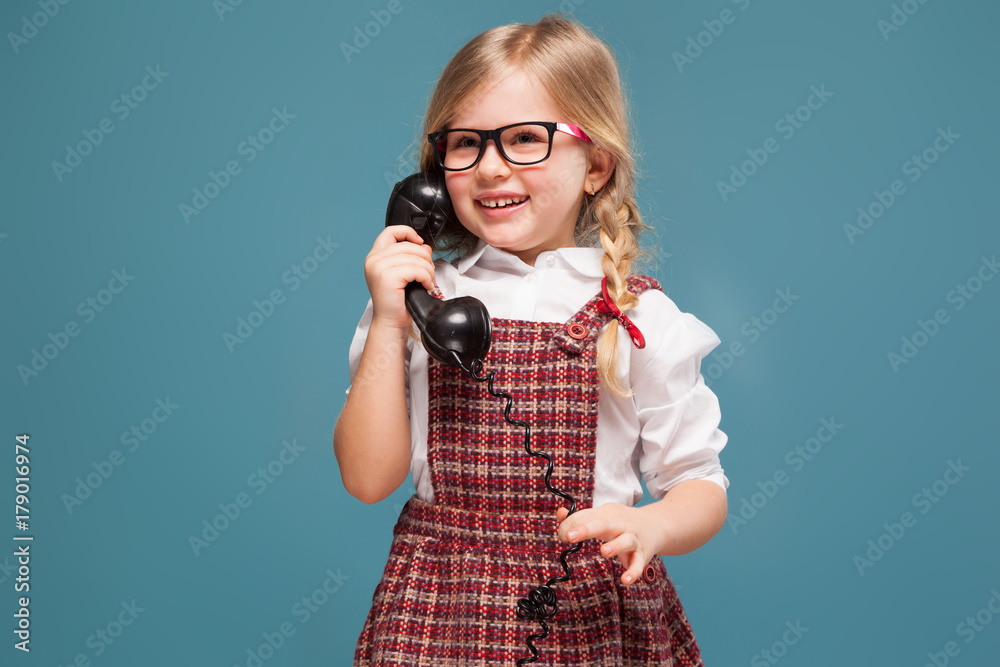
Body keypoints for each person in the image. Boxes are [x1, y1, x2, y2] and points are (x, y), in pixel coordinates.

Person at [334, 13, 729, 666]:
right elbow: (367, 478)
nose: (490, 168)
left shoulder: (635, 316)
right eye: (464, 144)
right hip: (443, 612)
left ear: (596, 164)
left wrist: (651, 523)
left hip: (589, 614)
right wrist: (387, 321)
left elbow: (701, 486)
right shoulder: (417, 298)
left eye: (524, 139)